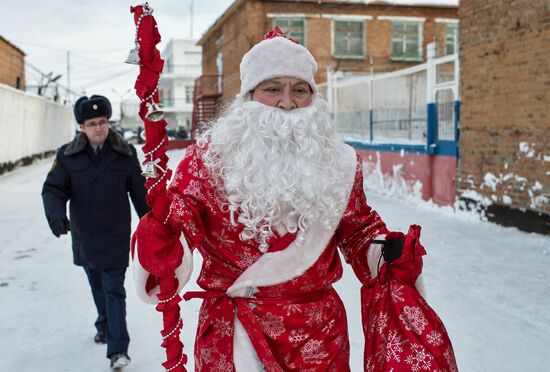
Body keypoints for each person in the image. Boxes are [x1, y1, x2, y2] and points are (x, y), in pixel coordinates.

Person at [133, 27, 455, 371]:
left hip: (318, 336)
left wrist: (386, 252)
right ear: (249, 96)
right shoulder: (207, 160)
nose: (287, 101)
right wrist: (162, 241)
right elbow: (179, 220)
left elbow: (357, 229)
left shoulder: (340, 163)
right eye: (273, 88)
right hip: (235, 336)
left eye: (299, 89)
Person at [42, 95, 150, 370]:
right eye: (92, 123)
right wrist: (56, 217)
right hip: (84, 236)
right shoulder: (67, 155)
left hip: (115, 235)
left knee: (114, 289)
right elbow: (53, 189)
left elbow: (140, 193)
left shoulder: (125, 153)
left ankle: (118, 349)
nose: (99, 128)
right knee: (96, 284)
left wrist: (152, 225)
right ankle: (104, 323)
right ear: (82, 127)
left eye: (102, 122)